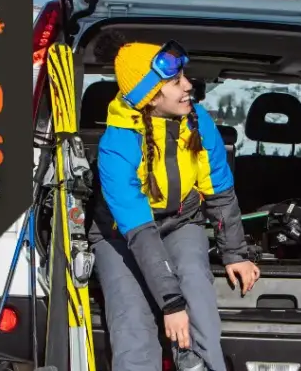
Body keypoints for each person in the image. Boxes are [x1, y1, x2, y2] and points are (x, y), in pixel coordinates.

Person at [87, 37, 260, 371]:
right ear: (150, 96)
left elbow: (219, 191)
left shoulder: (198, 121)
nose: (188, 85)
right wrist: (170, 303)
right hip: (120, 235)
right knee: (133, 326)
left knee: (197, 295)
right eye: (176, 81)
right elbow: (140, 232)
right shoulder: (117, 145)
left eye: (184, 77)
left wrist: (235, 253)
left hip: (181, 221)